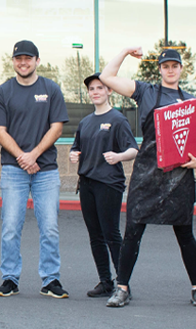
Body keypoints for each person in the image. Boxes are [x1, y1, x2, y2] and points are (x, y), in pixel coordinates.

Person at [100, 46, 196, 309]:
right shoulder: (145, 91)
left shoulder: (191, 101)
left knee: (185, 234)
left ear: (181, 69)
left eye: (175, 66)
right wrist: (126, 52)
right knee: (133, 232)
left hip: (180, 177)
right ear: (159, 69)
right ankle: (122, 288)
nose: (170, 70)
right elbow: (107, 77)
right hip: (146, 174)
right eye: (166, 66)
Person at [0, 40, 69, 299]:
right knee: (11, 225)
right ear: (13, 62)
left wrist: (33, 155)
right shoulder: (3, 92)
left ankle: (51, 280)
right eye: (18, 59)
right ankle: (10, 279)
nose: (23, 63)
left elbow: (57, 127)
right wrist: (22, 157)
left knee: (50, 227)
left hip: (45, 169)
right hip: (13, 169)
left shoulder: (51, 89)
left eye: (28, 58)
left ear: (37, 60)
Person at [69, 73, 138, 299]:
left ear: (109, 91)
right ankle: (105, 281)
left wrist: (118, 157)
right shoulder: (85, 122)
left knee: (111, 233)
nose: (96, 91)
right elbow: (75, 147)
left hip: (108, 183)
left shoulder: (118, 119)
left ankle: (122, 284)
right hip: (87, 183)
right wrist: (73, 154)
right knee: (95, 235)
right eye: (91, 89)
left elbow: (133, 149)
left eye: (100, 87)